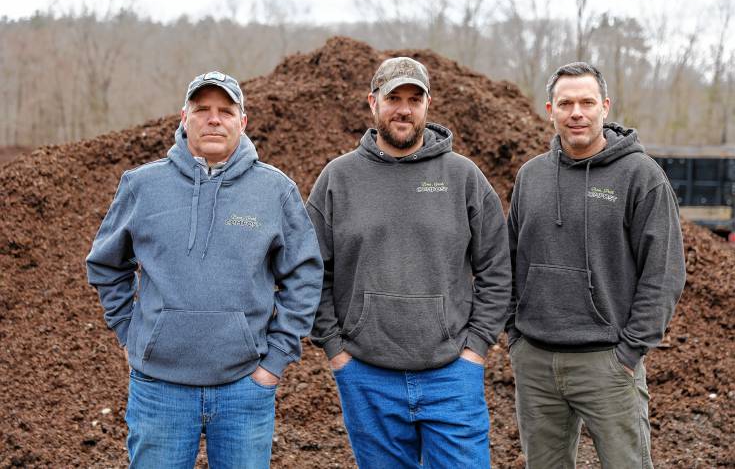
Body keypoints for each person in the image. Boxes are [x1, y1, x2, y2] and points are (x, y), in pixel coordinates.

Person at [86, 71, 323, 468]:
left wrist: (275, 361)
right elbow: (106, 263)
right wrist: (131, 335)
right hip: (159, 389)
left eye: (225, 111)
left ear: (242, 122)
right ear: (184, 117)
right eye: (202, 110)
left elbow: (304, 275)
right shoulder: (142, 186)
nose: (214, 119)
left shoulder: (275, 191)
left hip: (244, 389)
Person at [305, 57, 512, 468]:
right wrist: (335, 350)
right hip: (366, 374)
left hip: (451, 373)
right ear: (372, 103)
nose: (403, 108)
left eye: (413, 99)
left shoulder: (463, 177)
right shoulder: (338, 179)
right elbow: (312, 271)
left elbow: (496, 268)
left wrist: (475, 349)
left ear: (427, 104)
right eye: (393, 98)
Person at [505, 62, 686, 468]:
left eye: (587, 102)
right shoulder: (531, 177)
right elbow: (510, 261)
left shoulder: (641, 176)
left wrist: (629, 351)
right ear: (549, 109)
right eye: (565, 103)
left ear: (605, 106)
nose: (577, 113)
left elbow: (664, 273)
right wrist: (515, 336)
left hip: (607, 363)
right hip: (536, 362)